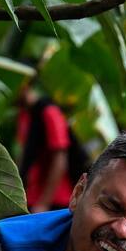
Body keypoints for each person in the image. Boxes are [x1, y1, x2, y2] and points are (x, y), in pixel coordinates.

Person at [15, 81, 85, 213]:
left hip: (55, 201)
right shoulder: (24, 115)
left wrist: (43, 203)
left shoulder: (49, 112)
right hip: (31, 198)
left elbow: (60, 159)